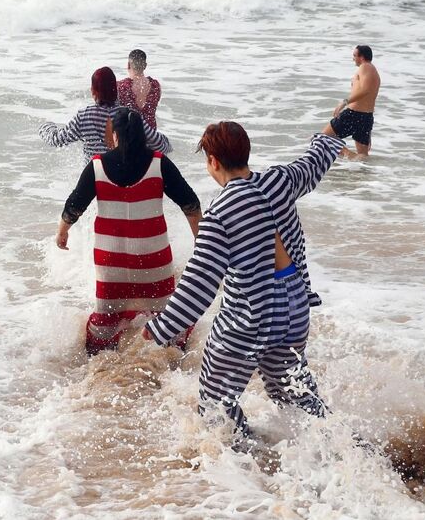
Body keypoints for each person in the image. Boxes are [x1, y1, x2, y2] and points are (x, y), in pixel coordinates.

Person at [144, 122, 345, 437]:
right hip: (295, 307)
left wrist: (161, 328)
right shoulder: (281, 180)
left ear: (213, 162)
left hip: (252, 315)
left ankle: (245, 470)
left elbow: (200, 285)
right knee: (296, 398)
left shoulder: (220, 213)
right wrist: (334, 127)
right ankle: (344, 448)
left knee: (216, 404)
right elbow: (314, 161)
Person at [56, 108, 202, 356]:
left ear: (116, 136)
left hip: (110, 263)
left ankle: (97, 364)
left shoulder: (97, 166)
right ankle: (172, 363)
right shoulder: (159, 163)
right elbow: (190, 204)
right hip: (152, 260)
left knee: (105, 322)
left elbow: (74, 204)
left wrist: (63, 232)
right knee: (168, 319)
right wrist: (201, 239)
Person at [39, 66, 172, 164]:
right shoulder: (129, 115)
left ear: (93, 91)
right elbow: (162, 145)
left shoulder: (84, 116)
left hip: (95, 182)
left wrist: (45, 126)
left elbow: (57, 140)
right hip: (125, 179)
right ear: (115, 89)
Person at [323, 45, 380, 157]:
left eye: (354, 55)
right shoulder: (373, 71)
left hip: (353, 114)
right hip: (366, 117)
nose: (353, 58)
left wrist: (344, 102)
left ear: (362, 57)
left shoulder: (365, 67)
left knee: (323, 138)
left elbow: (365, 90)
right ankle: (361, 172)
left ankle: (350, 157)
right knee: (363, 155)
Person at [117, 49, 162, 130]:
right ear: (145, 66)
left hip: (129, 135)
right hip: (151, 135)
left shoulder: (121, 86)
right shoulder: (155, 86)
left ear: (128, 65)